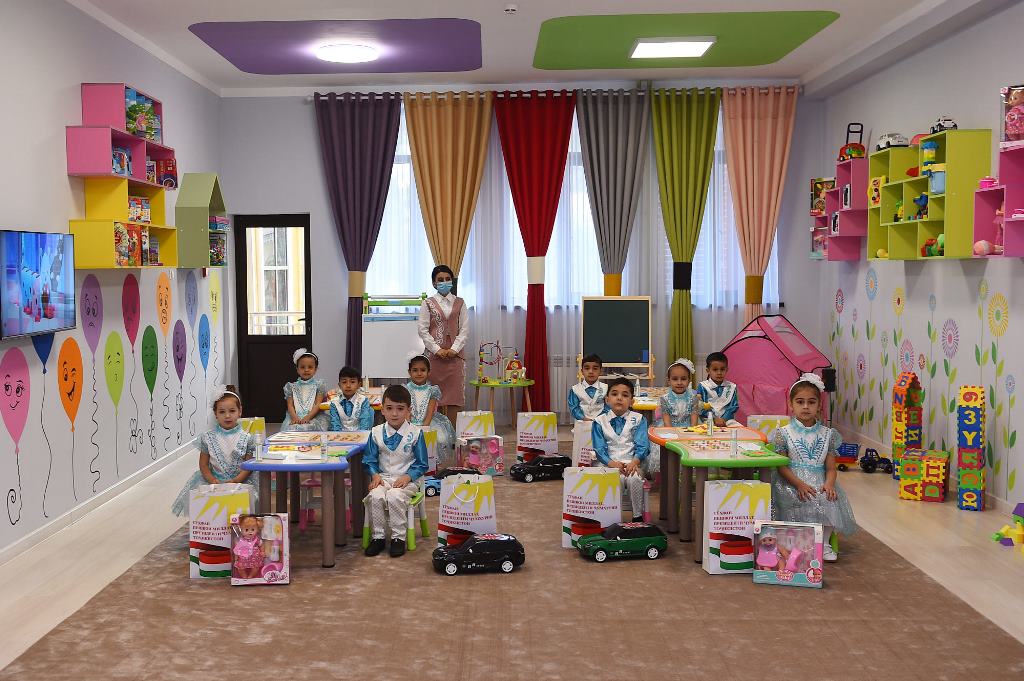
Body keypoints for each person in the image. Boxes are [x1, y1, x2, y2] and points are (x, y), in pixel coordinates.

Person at [770, 373, 857, 562]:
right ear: (791, 405)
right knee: (794, 497)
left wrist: (829, 484)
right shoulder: (783, 433)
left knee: (827, 498)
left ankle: (823, 544)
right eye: (800, 402)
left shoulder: (828, 434)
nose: (806, 407)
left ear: (819, 406)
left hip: (820, 480)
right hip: (791, 480)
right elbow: (781, 466)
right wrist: (799, 484)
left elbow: (831, 468)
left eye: (811, 402)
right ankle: (795, 543)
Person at [363, 384, 429, 558]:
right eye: (389, 408)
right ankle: (378, 537)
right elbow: (369, 459)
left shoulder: (415, 433)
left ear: (409, 410)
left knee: (394, 495)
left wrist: (408, 476)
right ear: (382, 410)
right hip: (383, 478)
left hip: (407, 480)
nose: (394, 413)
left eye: (400, 409)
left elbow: (422, 463)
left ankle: (398, 538)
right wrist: (375, 475)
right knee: (375, 495)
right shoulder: (376, 433)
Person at [171, 386, 257, 516]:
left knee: (238, 514)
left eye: (232, 411)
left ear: (240, 411)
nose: (227, 416)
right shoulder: (207, 437)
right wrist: (211, 479)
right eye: (222, 412)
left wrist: (236, 480)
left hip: (240, 482)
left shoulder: (247, 438)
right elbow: (203, 464)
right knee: (213, 514)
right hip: (213, 483)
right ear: (215, 414)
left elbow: (249, 465)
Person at [591, 377, 652, 522]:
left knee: (634, 479)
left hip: (633, 463)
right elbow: (599, 448)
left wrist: (634, 462)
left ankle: (637, 517)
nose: (619, 398)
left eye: (625, 395)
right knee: (614, 480)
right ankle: (612, 517)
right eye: (614, 394)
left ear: (631, 401)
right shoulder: (599, 421)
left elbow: (643, 445)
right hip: (608, 463)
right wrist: (612, 464)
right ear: (607, 399)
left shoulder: (639, 419)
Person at [417, 265, 468, 422]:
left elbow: (464, 330)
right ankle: (436, 433)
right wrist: (437, 350)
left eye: (447, 279)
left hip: (455, 357)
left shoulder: (460, 303)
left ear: (452, 281)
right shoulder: (427, 303)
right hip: (434, 359)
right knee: (433, 399)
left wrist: (454, 349)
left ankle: (452, 434)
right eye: (440, 280)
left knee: (454, 399)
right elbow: (422, 330)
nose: (444, 282)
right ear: (434, 283)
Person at [406, 354, 456, 468]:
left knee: (440, 438)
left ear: (429, 372)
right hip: (410, 422)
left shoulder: (432, 390)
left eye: (423, 370)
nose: (419, 373)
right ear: (409, 372)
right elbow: (406, 408)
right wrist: (408, 424)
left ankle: (433, 466)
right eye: (415, 370)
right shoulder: (406, 389)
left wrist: (425, 426)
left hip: (428, 422)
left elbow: (430, 410)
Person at [281, 348, 329, 431]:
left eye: (310, 367)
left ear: (315, 369)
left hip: (313, 416)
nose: (306, 370)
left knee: (311, 427)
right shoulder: (290, 387)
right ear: (297, 369)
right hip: (295, 416)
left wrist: (308, 417)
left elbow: (318, 404)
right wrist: (294, 417)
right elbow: (290, 405)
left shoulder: (319, 385)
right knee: (292, 428)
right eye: (302, 367)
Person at [696, 351, 740, 427]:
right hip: (708, 419)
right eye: (715, 369)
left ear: (727, 370)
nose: (719, 373)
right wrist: (714, 418)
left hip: (727, 420)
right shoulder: (703, 386)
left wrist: (724, 419)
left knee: (739, 429)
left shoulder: (731, 387)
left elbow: (733, 406)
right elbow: (701, 406)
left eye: (722, 369)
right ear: (708, 370)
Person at [328, 366, 373, 432]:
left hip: (360, 435)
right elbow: (335, 425)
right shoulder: (334, 403)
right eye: (344, 382)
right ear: (339, 385)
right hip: (340, 436)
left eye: (352, 382)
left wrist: (360, 436)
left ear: (359, 385)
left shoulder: (363, 401)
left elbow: (364, 425)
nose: (348, 385)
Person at [660, 358, 700, 427]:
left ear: (688, 381)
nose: (679, 383)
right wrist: (671, 432)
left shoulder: (693, 398)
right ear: (669, 381)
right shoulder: (665, 399)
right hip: (670, 428)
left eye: (683, 379)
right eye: (675, 379)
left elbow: (694, 419)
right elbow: (666, 420)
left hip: (689, 428)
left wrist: (692, 431)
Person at [568, 354, 609, 421]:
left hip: (601, 422)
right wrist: (583, 418)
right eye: (587, 368)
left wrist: (598, 419)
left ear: (600, 371)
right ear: (582, 371)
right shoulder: (575, 389)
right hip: (582, 423)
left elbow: (608, 407)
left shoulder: (606, 388)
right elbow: (574, 408)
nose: (591, 372)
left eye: (595, 368)